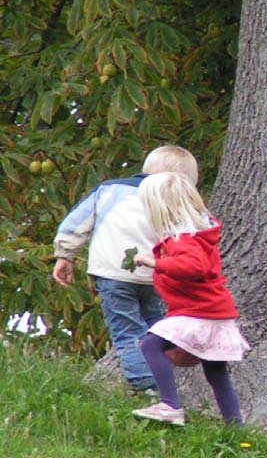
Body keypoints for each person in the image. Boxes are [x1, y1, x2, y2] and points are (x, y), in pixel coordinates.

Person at [52, 146, 199, 392]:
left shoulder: (110, 190)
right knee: (154, 323)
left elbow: (77, 223)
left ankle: (146, 384)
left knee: (127, 331)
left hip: (113, 275)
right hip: (156, 275)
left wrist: (65, 255)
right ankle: (164, 368)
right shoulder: (178, 200)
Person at [131, 172, 249, 426]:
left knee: (151, 346)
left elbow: (193, 266)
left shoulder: (181, 240)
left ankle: (170, 405)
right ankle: (235, 426)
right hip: (215, 312)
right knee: (216, 373)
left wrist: (156, 263)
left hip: (197, 312)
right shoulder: (197, 236)